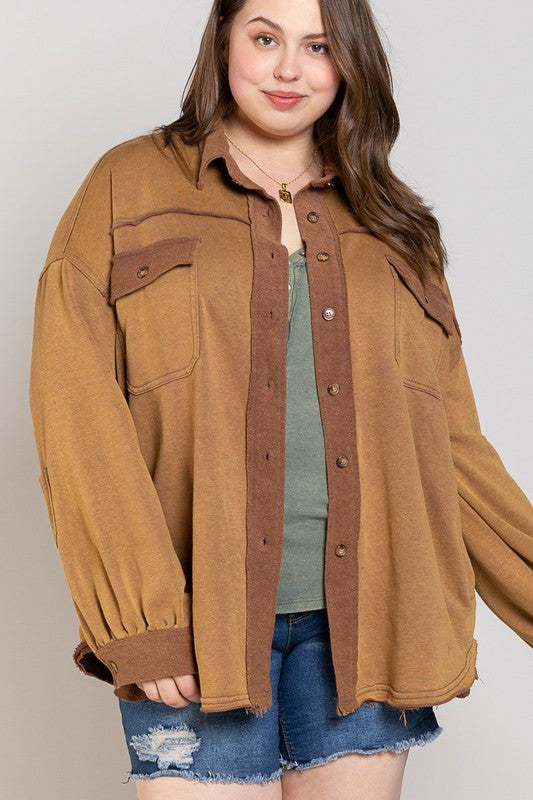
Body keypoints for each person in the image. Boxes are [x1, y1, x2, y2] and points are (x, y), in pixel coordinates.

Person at [29, 1, 533, 798]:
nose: (289, 69)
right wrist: (141, 618)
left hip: (372, 626)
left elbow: (450, 448)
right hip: (198, 626)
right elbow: (76, 413)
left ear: (349, 61)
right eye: (265, 38)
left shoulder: (392, 219)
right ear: (224, 40)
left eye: (319, 46)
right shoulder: (127, 185)